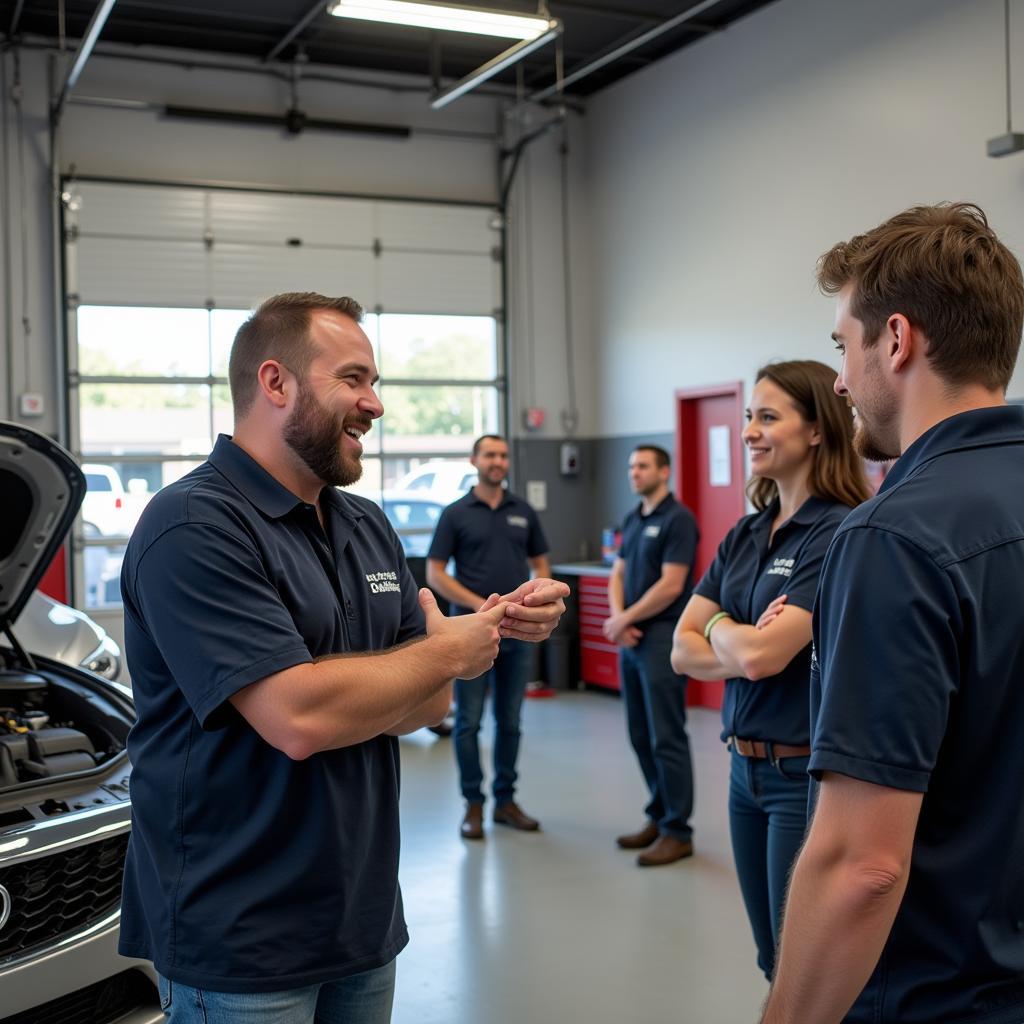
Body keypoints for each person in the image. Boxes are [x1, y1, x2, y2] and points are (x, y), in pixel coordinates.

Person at [117, 292, 568, 1024]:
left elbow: (424, 705)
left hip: (361, 923)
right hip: (239, 941)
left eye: (375, 382)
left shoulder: (365, 524)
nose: (375, 404)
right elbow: (296, 716)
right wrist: (438, 656)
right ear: (276, 384)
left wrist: (440, 658)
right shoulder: (193, 525)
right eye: (353, 380)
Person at [762, 203, 1024, 1024]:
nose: (839, 379)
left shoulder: (893, 539)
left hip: (941, 994)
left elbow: (861, 867)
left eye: (845, 345)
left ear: (898, 340)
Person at [671, 361, 870, 978]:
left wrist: (720, 630)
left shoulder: (838, 531)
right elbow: (681, 648)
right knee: (769, 959)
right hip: (742, 774)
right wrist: (731, 631)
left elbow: (764, 657)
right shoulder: (746, 533)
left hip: (802, 780)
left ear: (816, 430)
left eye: (768, 417)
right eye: (748, 417)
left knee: (803, 967)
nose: (750, 431)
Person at [426, 434, 551, 839]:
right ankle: (473, 805)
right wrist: (482, 604)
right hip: (471, 633)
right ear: (474, 460)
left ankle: (506, 801)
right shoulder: (456, 513)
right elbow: (436, 573)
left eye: (502, 455)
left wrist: (533, 600)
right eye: (490, 455)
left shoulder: (523, 512)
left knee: (510, 721)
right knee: (468, 721)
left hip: (517, 631)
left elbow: (541, 565)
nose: (497, 461)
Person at [604, 445, 699, 866]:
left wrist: (625, 619)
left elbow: (672, 585)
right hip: (632, 638)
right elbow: (618, 572)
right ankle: (659, 815)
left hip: (662, 638)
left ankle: (678, 830)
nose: (634, 473)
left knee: (667, 736)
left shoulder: (679, 520)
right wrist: (618, 619)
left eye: (642, 466)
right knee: (640, 734)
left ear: (665, 471)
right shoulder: (634, 518)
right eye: (631, 466)